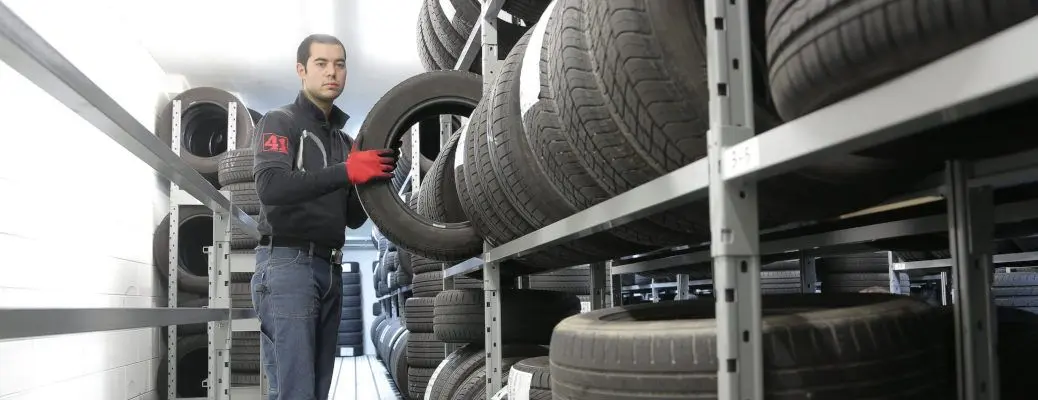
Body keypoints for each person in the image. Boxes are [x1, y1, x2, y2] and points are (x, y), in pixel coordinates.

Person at [249, 33, 397, 400]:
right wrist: (347, 172)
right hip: (288, 264)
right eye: (321, 63)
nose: (332, 72)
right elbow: (272, 187)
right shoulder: (279, 121)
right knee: (295, 392)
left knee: (315, 391)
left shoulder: (344, 143)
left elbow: (351, 219)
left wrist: (373, 185)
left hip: (330, 269)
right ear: (301, 70)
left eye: (340, 64)